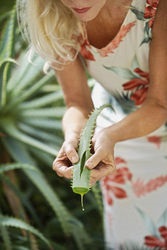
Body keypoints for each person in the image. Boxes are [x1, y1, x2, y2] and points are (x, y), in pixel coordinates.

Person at [17, 0, 167, 249]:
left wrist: (109, 136)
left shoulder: (157, 7)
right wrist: (74, 137)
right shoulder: (56, 14)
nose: (75, 2)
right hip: (117, 150)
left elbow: (160, 105)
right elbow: (76, 101)